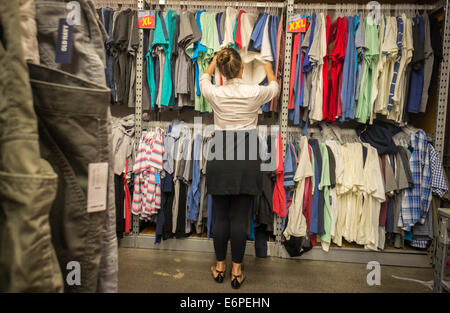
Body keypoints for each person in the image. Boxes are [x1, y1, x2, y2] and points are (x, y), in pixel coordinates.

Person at [199, 47, 279, 289]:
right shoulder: (254, 92)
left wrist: (213, 62)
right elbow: (275, 88)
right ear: (242, 68)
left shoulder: (214, 92)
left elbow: (204, 77)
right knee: (239, 217)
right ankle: (236, 270)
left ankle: (220, 267)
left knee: (221, 216)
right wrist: (266, 66)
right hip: (246, 156)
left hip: (220, 154)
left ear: (222, 72)